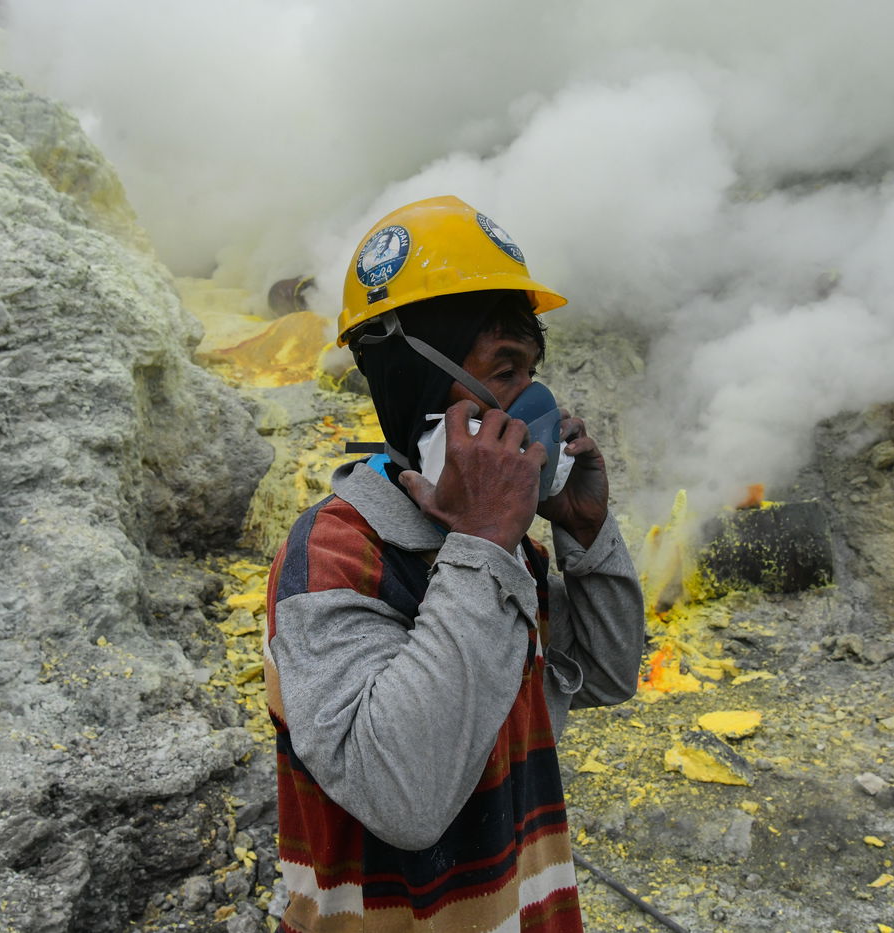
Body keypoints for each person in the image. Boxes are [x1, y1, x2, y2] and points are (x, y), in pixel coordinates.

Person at [264, 195, 646, 932]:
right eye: (504, 371)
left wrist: (587, 536)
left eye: (533, 372)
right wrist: (483, 541)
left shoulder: (504, 553)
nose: (534, 405)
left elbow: (605, 676)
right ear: (415, 382)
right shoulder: (333, 556)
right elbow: (403, 797)